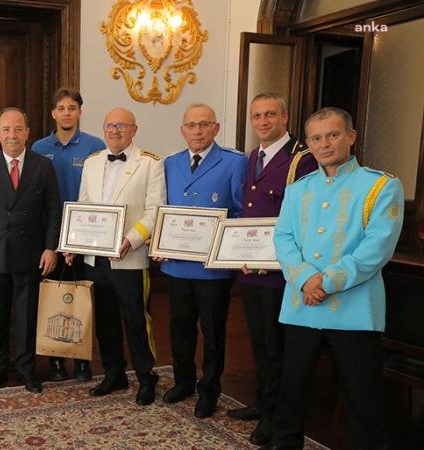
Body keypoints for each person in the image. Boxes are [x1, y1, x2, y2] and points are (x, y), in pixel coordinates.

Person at [261, 107, 403, 450]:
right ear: (308, 144)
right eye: (316, 138)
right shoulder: (298, 190)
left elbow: (376, 249)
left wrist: (325, 283)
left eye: (333, 135)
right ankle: (285, 442)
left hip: (353, 309)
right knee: (292, 387)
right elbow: (283, 238)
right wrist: (306, 279)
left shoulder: (381, 186)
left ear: (351, 136)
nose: (325, 144)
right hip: (301, 305)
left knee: (362, 395)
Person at [228, 93, 317, 445]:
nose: (262, 122)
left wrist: (278, 260)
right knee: (259, 343)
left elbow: (303, 217)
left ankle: (275, 416)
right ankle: (263, 402)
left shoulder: (302, 159)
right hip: (251, 268)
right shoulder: (254, 156)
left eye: (269, 115)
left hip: (280, 271)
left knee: (277, 347)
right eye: (256, 116)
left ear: (285, 116)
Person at [65, 107, 165, 405]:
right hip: (95, 258)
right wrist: (73, 241)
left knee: (136, 319)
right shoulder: (93, 162)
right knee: (105, 319)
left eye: (121, 125)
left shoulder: (150, 163)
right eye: (109, 125)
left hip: (129, 258)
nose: (115, 131)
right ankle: (114, 373)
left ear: (134, 129)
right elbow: (83, 206)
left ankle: (147, 376)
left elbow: (155, 210)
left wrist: (131, 240)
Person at [159, 103, 247, 418]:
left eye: (204, 124)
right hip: (178, 265)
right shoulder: (169, 163)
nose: (197, 131)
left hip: (213, 269)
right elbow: (162, 209)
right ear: (183, 130)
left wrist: (226, 250)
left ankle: (209, 389)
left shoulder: (235, 163)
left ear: (216, 128)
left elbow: (239, 212)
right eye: (191, 125)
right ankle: (183, 381)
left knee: (212, 331)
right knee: (180, 327)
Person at [0, 107, 61, 394]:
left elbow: (53, 209)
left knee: (26, 316)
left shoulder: (42, 166)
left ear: (27, 132)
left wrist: (51, 248)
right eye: (7, 129)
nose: (12, 135)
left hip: (31, 255)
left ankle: (25, 369)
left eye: (18, 129)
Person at [32, 88, 105, 382]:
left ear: (79, 112)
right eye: (61, 108)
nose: (66, 113)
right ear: (53, 113)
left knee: (82, 296)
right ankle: (56, 360)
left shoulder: (94, 145)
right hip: (47, 234)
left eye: (72, 108)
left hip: (84, 235)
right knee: (52, 296)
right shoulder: (38, 147)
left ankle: (83, 359)